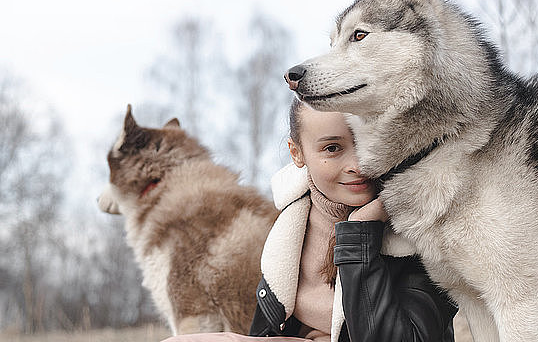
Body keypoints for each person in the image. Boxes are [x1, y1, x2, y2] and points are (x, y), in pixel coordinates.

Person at [163, 99, 457, 342]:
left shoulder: (425, 229)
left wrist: (360, 233)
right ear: (297, 153)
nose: (358, 164)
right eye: (333, 148)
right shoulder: (290, 227)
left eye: (367, 141)